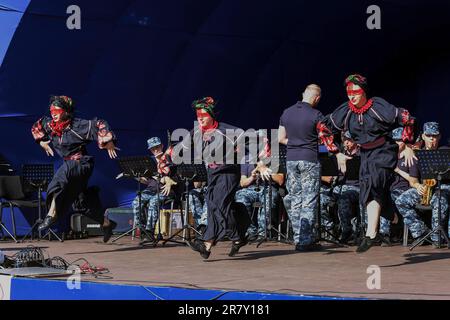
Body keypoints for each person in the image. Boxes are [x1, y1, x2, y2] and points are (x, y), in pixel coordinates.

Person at [322, 74, 416, 253]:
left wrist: (408, 143)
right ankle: (389, 213)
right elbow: (323, 128)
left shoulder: (377, 106)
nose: (352, 96)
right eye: (349, 92)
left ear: (364, 92)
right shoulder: (345, 111)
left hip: (383, 151)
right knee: (367, 191)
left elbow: (406, 118)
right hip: (365, 154)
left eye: (355, 92)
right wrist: (336, 152)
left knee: (373, 184)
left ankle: (371, 234)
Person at [31, 95, 118, 235]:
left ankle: (51, 215)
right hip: (70, 165)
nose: (53, 113)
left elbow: (99, 124)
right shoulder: (49, 125)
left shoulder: (77, 126)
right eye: (52, 110)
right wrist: (41, 142)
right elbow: (37, 126)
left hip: (81, 163)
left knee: (59, 177)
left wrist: (108, 141)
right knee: (80, 204)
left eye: (57, 110)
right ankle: (107, 223)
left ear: (65, 111)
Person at [181, 97, 255, 259]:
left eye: (203, 116)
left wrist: (258, 160)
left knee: (219, 205)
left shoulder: (226, 130)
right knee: (212, 204)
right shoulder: (197, 132)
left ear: (211, 116)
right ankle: (220, 241)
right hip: (212, 174)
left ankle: (220, 240)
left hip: (228, 174)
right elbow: (182, 146)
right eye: (198, 116)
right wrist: (168, 154)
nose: (200, 119)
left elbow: (250, 139)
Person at [278, 84, 340, 251]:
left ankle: (298, 238)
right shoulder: (316, 114)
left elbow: (280, 138)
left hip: (291, 160)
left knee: (295, 198)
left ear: (303, 94)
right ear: (317, 98)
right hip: (309, 160)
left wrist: (296, 143)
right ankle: (306, 241)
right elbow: (324, 137)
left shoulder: (287, 112)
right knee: (309, 200)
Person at [395, 122, 450, 247]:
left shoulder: (446, 152)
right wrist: (418, 186)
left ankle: (437, 238)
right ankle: (420, 232)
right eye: (429, 135)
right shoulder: (417, 155)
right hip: (424, 188)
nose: (432, 139)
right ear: (423, 136)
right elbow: (413, 180)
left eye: (435, 136)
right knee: (401, 201)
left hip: (442, 188)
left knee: (439, 200)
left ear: (439, 137)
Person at [235, 160, 284, 242]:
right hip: (251, 188)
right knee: (240, 197)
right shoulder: (246, 159)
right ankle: (251, 232)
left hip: (269, 187)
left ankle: (263, 232)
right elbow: (243, 183)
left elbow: (280, 180)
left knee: (269, 198)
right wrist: (252, 177)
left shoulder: (275, 158)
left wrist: (265, 170)